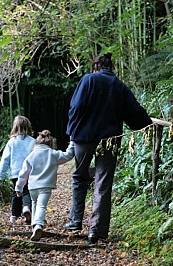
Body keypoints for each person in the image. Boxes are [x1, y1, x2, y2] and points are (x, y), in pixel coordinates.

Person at [64, 52, 152, 244]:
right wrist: (148, 123)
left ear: (95, 67)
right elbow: (135, 114)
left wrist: (73, 130)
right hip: (110, 140)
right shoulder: (119, 87)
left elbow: (76, 107)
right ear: (110, 68)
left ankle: (75, 220)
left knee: (80, 176)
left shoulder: (88, 80)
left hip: (84, 138)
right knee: (102, 183)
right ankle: (96, 231)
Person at [15, 130, 74, 241]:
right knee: (41, 206)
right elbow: (68, 155)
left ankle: (34, 226)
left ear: (36, 143)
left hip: (32, 186)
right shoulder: (53, 154)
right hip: (45, 186)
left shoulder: (31, 155)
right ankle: (38, 225)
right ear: (51, 144)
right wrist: (72, 142)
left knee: (34, 204)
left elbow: (23, 174)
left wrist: (19, 187)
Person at [0, 115, 35, 224]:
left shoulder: (11, 142)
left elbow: (5, 159)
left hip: (15, 173)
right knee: (27, 191)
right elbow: (37, 157)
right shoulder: (33, 141)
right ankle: (27, 207)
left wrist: (0, 175)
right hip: (29, 172)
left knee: (16, 193)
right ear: (28, 127)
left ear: (15, 127)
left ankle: (14, 216)